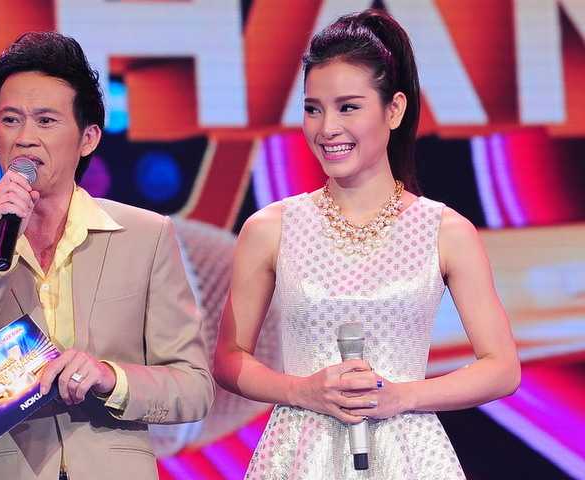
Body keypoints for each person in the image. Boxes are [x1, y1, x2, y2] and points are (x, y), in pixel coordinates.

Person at [214, 9, 520, 479]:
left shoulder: (445, 230)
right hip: (301, 453)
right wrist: (300, 390)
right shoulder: (271, 228)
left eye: (348, 107)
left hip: (409, 454)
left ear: (393, 110)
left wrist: (403, 395)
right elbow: (228, 358)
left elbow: (502, 367)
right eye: (313, 109)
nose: (326, 128)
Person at [0, 32, 214, 480]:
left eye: (46, 121)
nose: (25, 138)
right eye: (10, 120)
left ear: (88, 138)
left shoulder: (145, 236)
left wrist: (111, 377)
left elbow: (194, 387)